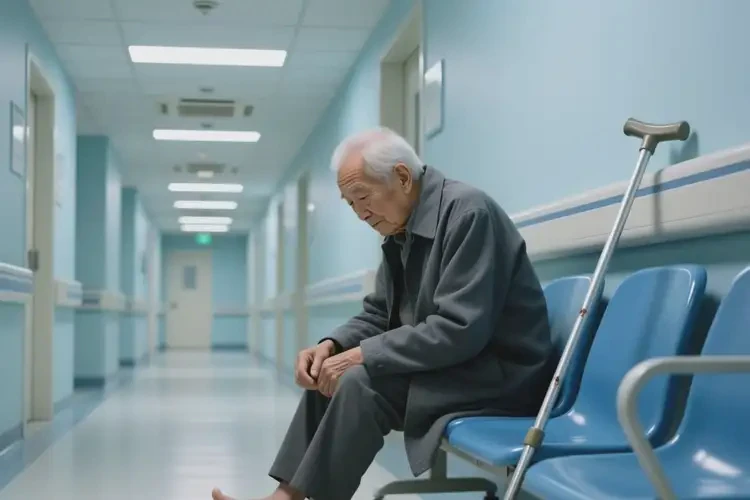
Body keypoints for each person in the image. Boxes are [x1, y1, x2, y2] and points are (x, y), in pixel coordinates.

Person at [212, 128, 554, 500]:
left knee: (359, 381)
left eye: (363, 197)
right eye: (351, 204)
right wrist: (332, 346)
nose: (361, 214)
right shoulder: (400, 232)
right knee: (328, 373)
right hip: (453, 365)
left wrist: (360, 356)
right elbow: (379, 313)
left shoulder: (468, 214)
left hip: (499, 374)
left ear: (403, 177)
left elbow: (459, 329)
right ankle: (285, 496)